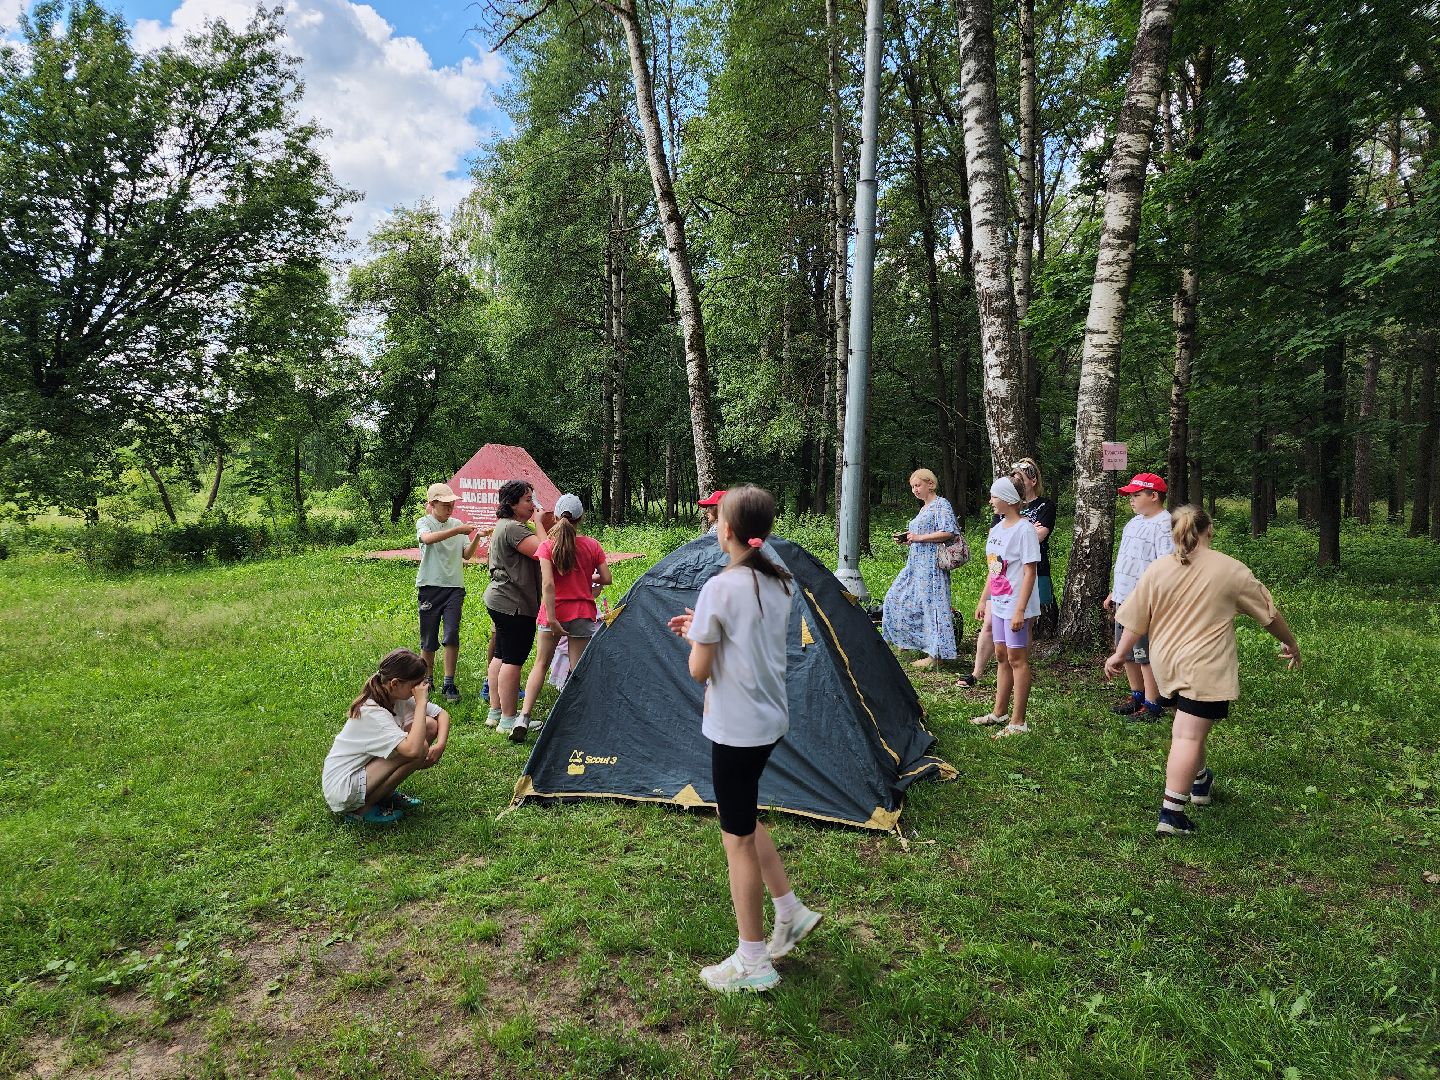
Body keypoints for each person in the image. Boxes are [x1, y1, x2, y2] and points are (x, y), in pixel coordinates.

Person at [666, 486, 822, 993]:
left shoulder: (720, 586)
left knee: (735, 838)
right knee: (746, 817)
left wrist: (698, 638)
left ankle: (753, 962)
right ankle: (790, 911)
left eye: (717, 520)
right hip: (768, 721)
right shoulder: (779, 581)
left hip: (736, 729)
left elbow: (699, 670)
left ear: (726, 529)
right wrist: (704, 628)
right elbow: (745, 637)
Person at [1105, 506, 1301, 835]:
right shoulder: (1230, 569)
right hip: (1204, 666)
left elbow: (1135, 619)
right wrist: (1290, 643)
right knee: (1187, 735)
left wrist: (1119, 654)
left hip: (1166, 664)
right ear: (1209, 529)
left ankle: (1199, 781)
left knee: (1188, 726)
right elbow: (1268, 614)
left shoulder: (1158, 568)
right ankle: (1172, 815)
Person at [517, 493, 613, 738]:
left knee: (540, 664)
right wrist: (588, 577)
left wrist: (551, 619)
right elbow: (606, 578)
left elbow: (548, 585)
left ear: (556, 517)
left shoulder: (546, 546)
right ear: (581, 518)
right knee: (577, 668)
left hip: (554, 613)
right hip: (582, 612)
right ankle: (579, 719)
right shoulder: (592, 545)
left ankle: (523, 717)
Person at [957, 458, 1056, 690]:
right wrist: (983, 598)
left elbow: (1038, 536)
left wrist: (1024, 530)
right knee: (989, 623)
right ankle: (978, 671)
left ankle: (1019, 664)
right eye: (1013, 477)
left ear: (1032, 481)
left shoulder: (1044, 506)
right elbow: (997, 542)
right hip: (1001, 578)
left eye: (1019, 477)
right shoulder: (1003, 514)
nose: (1015, 480)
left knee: (1023, 626)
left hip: (1031, 573)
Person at [321, 648, 449, 825]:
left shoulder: (395, 695)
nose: (422, 688)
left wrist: (440, 745)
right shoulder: (373, 713)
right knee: (419, 748)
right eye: (416, 684)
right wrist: (421, 703)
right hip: (343, 789)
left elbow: (442, 715)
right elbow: (412, 750)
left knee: (429, 725)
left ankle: (384, 794)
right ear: (395, 683)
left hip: (361, 772)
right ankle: (360, 810)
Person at [969, 478, 1041, 738]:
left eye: (994, 496)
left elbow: (1030, 572)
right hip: (998, 604)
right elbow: (994, 568)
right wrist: (983, 599)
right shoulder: (998, 528)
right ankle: (999, 712)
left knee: (1016, 659)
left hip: (1015, 605)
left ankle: (1018, 722)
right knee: (1001, 656)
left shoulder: (1025, 530)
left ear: (1009, 499)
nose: (990, 501)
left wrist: (1020, 610)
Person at [484, 480, 553, 738]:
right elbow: (545, 551)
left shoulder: (505, 525)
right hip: (513, 604)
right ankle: (508, 719)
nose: (532, 504)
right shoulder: (514, 528)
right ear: (512, 504)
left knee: (500, 656)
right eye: (527, 499)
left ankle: (495, 712)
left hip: (500, 600)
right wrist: (540, 522)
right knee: (513, 661)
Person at [1105, 472, 1174, 721]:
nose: (1131, 500)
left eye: (1136, 495)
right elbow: (1126, 559)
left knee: (1144, 654)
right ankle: (1137, 695)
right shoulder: (1134, 523)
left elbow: (1165, 565)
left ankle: (1152, 703)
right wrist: (1115, 590)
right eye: (1130, 496)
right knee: (1126, 651)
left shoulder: (1165, 525)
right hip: (1125, 597)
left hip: (1145, 600)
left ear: (1154, 496)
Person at [880, 468, 959, 670]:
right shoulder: (924, 508)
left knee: (933, 607)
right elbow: (921, 534)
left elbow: (948, 531)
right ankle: (906, 640)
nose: (915, 490)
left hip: (932, 566)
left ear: (930, 484)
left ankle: (936, 654)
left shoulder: (941, 504)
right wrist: (908, 538)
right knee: (896, 597)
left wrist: (919, 538)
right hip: (915, 564)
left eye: (918, 485)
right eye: (912, 487)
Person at [415, 482, 482, 702]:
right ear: (433, 504)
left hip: (454, 587)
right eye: (445, 504)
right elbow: (427, 539)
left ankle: (449, 682)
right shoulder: (425, 523)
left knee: (451, 634)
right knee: (429, 637)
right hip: (430, 586)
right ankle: (427, 680)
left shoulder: (457, 524)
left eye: (452, 504)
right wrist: (457, 531)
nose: (450, 508)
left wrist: (477, 537)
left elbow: (466, 555)